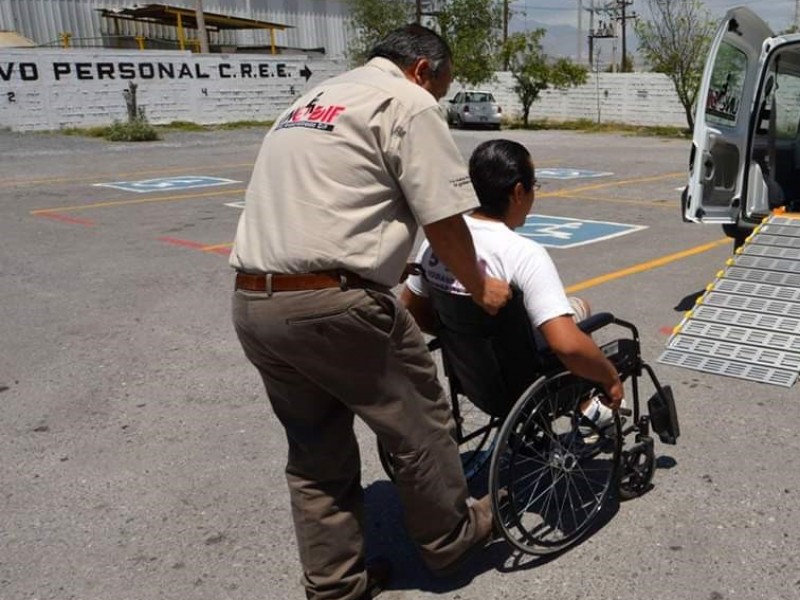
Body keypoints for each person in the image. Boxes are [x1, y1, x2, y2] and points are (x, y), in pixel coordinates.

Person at [229, 25, 511, 600]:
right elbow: (444, 216)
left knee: (315, 452)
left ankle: (336, 584)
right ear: (424, 71)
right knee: (422, 424)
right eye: (442, 88)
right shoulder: (407, 102)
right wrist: (480, 289)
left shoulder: (313, 100)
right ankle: (453, 537)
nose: (438, 101)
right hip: (335, 302)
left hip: (255, 300)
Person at [402, 139, 624, 432]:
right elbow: (566, 344)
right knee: (579, 315)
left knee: (572, 310)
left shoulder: (439, 243)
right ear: (519, 192)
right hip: (520, 382)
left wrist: (460, 337)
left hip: (471, 376)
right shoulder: (522, 253)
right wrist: (609, 377)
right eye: (534, 186)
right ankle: (587, 403)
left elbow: (411, 308)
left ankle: (584, 404)